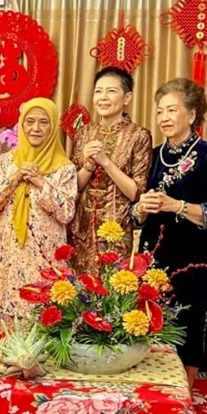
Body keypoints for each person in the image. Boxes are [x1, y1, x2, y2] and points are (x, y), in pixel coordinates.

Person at [133, 78, 207, 390]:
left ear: (191, 114)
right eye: (160, 111)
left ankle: (181, 393)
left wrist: (178, 205)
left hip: (194, 254)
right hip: (153, 250)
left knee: (189, 321)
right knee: (149, 317)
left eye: (172, 110)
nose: (164, 117)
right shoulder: (153, 153)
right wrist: (141, 208)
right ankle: (155, 387)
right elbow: (134, 213)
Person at [0, 98, 77, 336]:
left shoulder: (64, 168)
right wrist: (14, 177)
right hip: (10, 252)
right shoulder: (8, 161)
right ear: (21, 125)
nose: (35, 128)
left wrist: (39, 181)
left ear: (53, 126)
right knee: (8, 308)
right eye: (30, 122)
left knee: (42, 307)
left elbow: (66, 212)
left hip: (45, 253)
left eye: (43, 122)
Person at [70, 66, 151, 275]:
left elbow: (136, 192)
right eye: (98, 91)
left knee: (112, 297)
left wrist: (106, 162)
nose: (103, 97)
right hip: (82, 231)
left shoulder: (139, 136)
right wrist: (88, 166)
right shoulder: (84, 133)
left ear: (127, 98)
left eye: (111, 91)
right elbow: (73, 187)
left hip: (116, 231)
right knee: (78, 298)